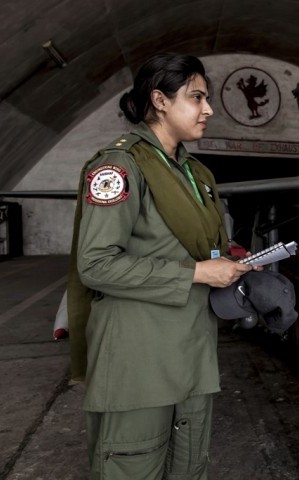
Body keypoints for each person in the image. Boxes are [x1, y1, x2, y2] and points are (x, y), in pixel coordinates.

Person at [66, 53, 258, 479]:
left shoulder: (195, 172)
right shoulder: (119, 167)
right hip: (140, 362)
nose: (208, 109)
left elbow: (200, 248)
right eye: (197, 97)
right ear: (160, 100)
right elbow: (96, 265)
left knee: (189, 469)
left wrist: (237, 264)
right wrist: (195, 273)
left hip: (191, 354)